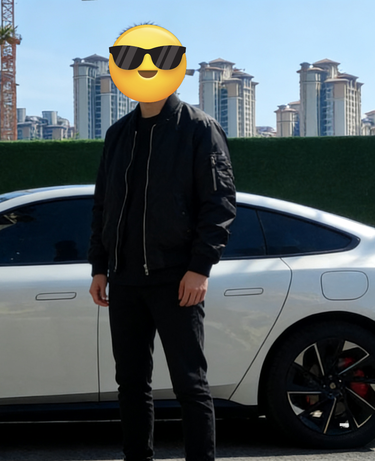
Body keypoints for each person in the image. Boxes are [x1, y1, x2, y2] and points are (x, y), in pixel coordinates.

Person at [88, 27, 236, 461]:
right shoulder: (118, 134)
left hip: (176, 279)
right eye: (131, 59)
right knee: (131, 384)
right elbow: (102, 205)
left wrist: (200, 268)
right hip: (125, 281)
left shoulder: (199, 129)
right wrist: (99, 267)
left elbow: (219, 203)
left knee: (190, 383)